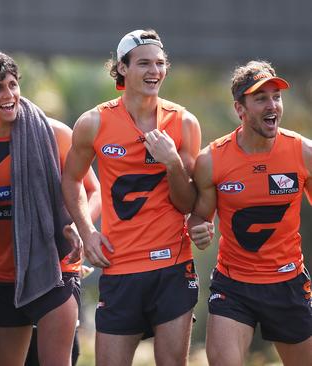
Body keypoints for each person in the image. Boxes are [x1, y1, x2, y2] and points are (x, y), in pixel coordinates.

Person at [61, 29, 202, 366]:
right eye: (143, 63)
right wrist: (86, 231)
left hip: (172, 266)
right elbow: (70, 179)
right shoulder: (93, 122)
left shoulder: (183, 123)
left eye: (159, 63)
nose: (154, 71)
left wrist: (171, 163)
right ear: (122, 68)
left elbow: (188, 203)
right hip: (119, 266)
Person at [0, 50, 99, 366]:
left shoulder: (55, 135)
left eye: (13, 84)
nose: (9, 94)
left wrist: (81, 226)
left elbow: (94, 192)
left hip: (53, 270)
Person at [188, 60, 312, 366]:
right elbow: (199, 218)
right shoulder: (212, 160)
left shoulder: (303, 152)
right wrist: (199, 230)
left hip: (288, 283)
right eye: (261, 99)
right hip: (234, 285)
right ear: (240, 109)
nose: (273, 105)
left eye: (276, 97)